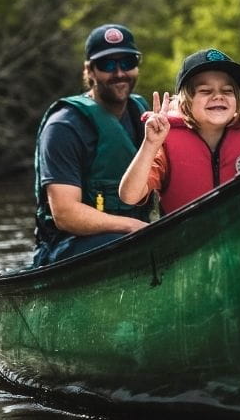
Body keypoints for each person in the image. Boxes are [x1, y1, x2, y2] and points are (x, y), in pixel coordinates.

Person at [33, 24, 153, 266]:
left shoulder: (143, 114)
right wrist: (132, 226)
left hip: (137, 235)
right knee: (126, 244)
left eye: (128, 62)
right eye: (108, 65)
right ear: (90, 71)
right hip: (69, 246)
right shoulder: (63, 127)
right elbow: (65, 214)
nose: (119, 73)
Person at [119, 48, 240, 215]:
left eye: (227, 91)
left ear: (237, 101)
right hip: (187, 238)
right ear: (186, 103)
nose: (218, 96)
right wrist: (150, 144)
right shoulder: (165, 153)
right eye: (206, 91)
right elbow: (129, 196)